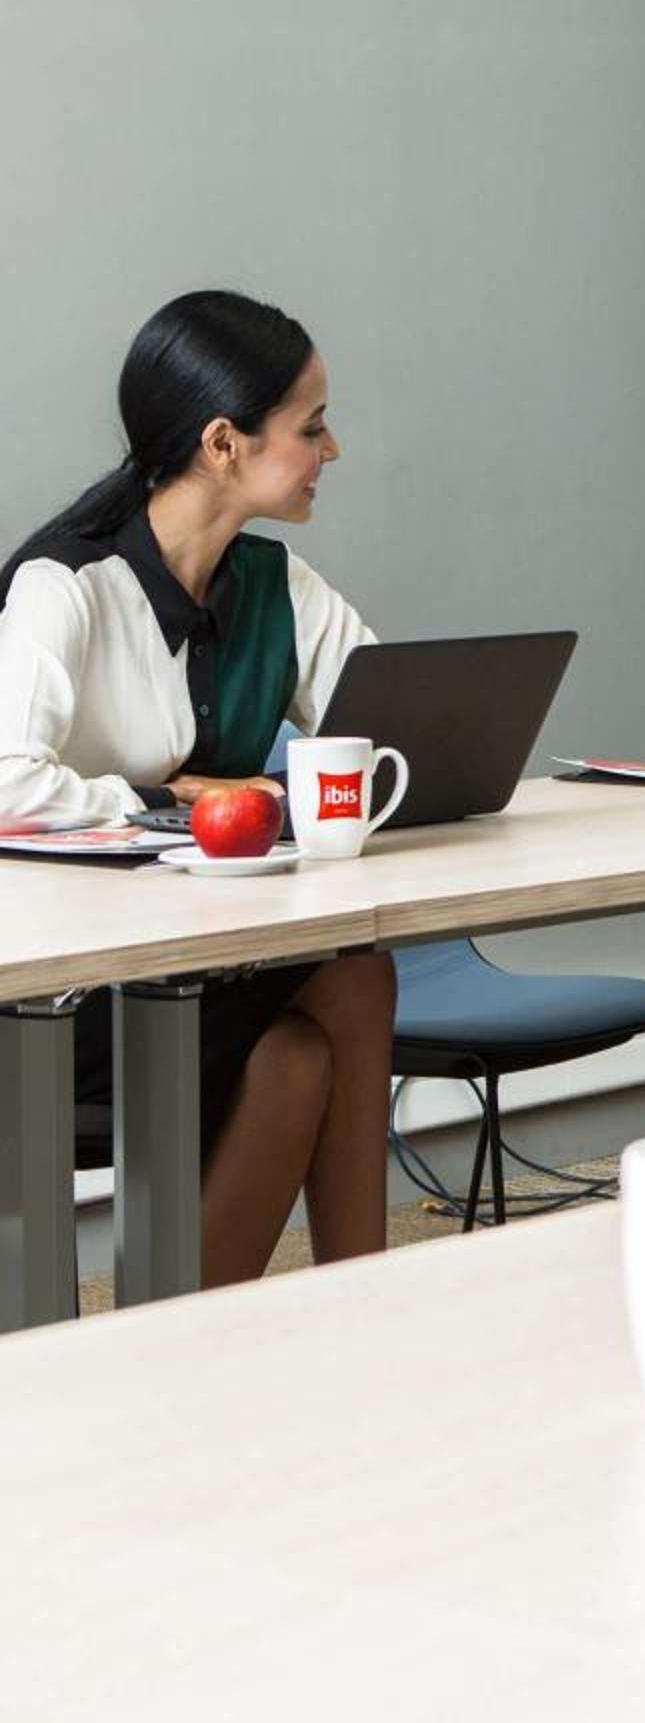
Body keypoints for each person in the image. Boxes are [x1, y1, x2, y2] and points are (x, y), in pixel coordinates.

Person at [0, 290, 396, 1288]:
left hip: (199, 963)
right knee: (343, 992)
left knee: (304, 1049)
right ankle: (359, 1312)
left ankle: (236, 1335)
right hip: (59, 991)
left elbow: (390, 722)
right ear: (223, 443)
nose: (332, 448)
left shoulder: (279, 587)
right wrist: (163, 799)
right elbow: (5, 781)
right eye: (311, 427)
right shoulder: (65, 586)